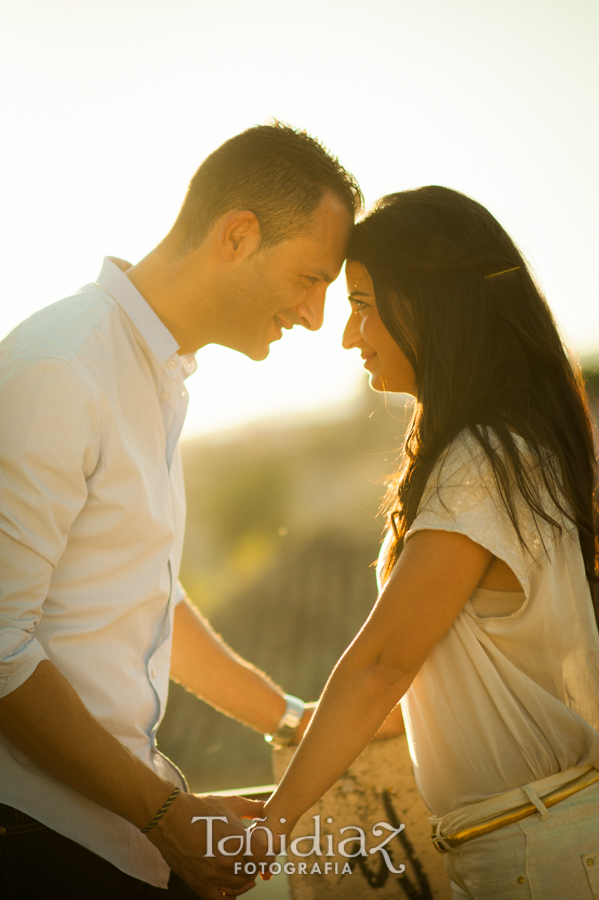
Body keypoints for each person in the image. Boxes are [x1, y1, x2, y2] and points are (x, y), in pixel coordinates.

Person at [0, 122, 361, 900]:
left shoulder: (156, 378)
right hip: (37, 844)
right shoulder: (63, 368)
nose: (313, 317)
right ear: (237, 236)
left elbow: (144, 596)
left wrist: (292, 720)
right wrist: (169, 815)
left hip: (113, 836)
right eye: (309, 278)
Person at [261, 186, 599, 898]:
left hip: (530, 855)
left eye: (359, 304)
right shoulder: (519, 444)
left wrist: (268, 828)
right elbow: (446, 661)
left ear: (422, 303)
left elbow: (384, 660)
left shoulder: (481, 462)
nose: (348, 336)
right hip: (536, 839)